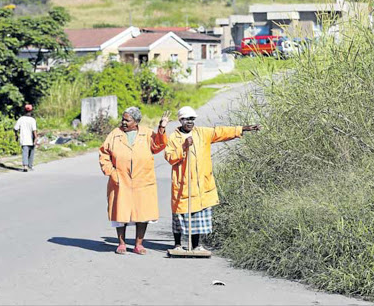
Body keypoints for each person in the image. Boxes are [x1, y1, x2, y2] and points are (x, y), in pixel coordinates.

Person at [164, 106, 260, 253]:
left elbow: (220, 132)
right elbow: (170, 158)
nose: (190, 122)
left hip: (201, 183)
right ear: (181, 120)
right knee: (180, 216)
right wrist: (184, 147)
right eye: (187, 119)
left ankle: (196, 245)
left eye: (192, 119)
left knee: (198, 214)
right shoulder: (174, 137)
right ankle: (178, 245)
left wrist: (243, 128)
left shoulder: (202, 133)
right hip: (183, 184)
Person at [99, 107, 170, 255]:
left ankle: (138, 244)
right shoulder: (115, 134)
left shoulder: (147, 133)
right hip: (120, 179)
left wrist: (161, 128)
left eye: (127, 120)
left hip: (143, 180)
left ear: (136, 122)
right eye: (123, 119)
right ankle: (122, 244)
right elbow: (104, 155)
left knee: (142, 213)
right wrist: (112, 173)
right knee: (120, 213)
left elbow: (158, 146)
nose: (123, 122)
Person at [14, 104, 38, 172]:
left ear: (24, 110)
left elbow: (15, 128)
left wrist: (16, 135)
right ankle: (30, 165)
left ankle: (25, 166)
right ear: (31, 111)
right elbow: (34, 130)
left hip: (23, 139)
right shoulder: (32, 120)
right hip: (31, 139)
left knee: (25, 152)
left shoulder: (21, 119)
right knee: (31, 152)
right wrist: (36, 138)